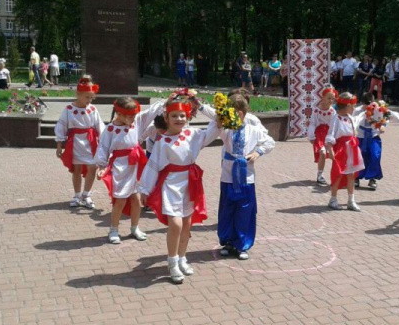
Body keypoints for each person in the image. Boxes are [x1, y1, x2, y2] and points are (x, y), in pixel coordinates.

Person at [139, 98, 221, 284]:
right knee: (175, 224)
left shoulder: (193, 134)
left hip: (190, 183)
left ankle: (182, 257)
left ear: (188, 117)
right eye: (174, 116)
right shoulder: (162, 142)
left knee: (186, 224)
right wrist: (145, 189)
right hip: (171, 184)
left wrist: (213, 112)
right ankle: (172, 261)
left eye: (182, 115)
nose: (179, 119)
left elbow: (213, 129)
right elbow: (153, 166)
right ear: (166, 118)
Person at [94, 97, 165, 244]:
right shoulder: (110, 129)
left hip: (135, 166)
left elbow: (149, 113)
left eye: (134, 115)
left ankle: (134, 228)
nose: (132, 118)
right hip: (119, 168)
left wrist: (167, 101)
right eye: (129, 115)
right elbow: (103, 147)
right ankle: (114, 229)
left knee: (136, 200)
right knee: (119, 201)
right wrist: (101, 166)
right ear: (118, 114)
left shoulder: (136, 123)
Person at [217, 93, 275, 260]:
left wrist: (258, 152)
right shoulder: (225, 129)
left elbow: (270, 142)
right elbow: (213, 121)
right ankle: (227, 241)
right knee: (227, 208)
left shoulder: (254, 130)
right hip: (227, 176)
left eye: (231, 112)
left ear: (240, 114)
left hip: (246, 176)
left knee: (244, 210)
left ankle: (242, 244)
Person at [55, 76, 105, 209]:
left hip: (90, 142)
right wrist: (59, 145)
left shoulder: (92, 109)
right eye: (87, 97)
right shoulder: (69, 110)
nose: (89, 100)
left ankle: (86, 194)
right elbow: (62, 126)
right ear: (78, 94)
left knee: (92, 168)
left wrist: (104, 141)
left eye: (91, 98)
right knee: (76, 169)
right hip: (75, 143)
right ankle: (77, 195)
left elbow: (99, 125)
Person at [325, 92, 365, 212]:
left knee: (351, 174)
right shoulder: (335, 118)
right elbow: (331, 134)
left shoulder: (350, 118)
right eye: (352, 106)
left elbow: (359, 119)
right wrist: (330, 149)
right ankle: (333, 199)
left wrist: (367, 111)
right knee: (338, 173)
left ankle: (351, 200)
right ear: (347, 106)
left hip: (352, 148)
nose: (354, 108)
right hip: (341, 149)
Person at [307, 86, 338, 185]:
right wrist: (311, 136)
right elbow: (313, 123)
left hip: (329, 134)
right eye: (329, 98)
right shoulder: (316, 110)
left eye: (333, 98)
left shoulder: (333, 112)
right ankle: (320, 175)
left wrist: (332, 138)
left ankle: (338, 174)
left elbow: (333, 125)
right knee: (323, 153)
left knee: (336, 155)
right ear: (323, 97)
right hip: (319, 135)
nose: (331, 100)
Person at [354, 93, 385, 190]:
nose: (368, 106)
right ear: (362, 103)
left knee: (375, 155)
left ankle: (372, 178)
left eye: (370, 103)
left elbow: (384, 119)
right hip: (361, 135)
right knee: (360, 156)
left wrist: (382, 125)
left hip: (373, 135)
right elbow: (355, 120)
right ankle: (357, 177)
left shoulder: (378, 109)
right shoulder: (358, 111)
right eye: (366, 104)